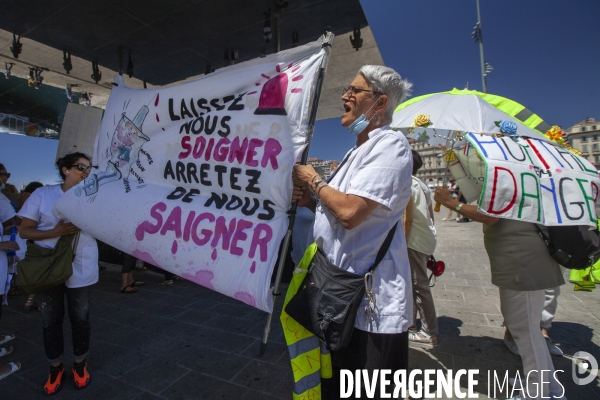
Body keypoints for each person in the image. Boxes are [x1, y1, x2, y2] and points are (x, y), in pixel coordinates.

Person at [292, 65, 413, 398]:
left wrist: (313, 180)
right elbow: (335, 212)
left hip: (372, 304)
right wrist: (308, 202)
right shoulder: (355, 152)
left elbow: (350, 212)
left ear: (379, 103)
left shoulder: (391, 145)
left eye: (354, 90)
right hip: (340, 295)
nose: (345, 96)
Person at [434, 187, 566, 399]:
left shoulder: (507, 177)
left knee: (523, 329)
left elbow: (489, 215)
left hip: (520, 262)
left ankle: (537, 392)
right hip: (523, 259)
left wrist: (450, 203)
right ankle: (546, 383)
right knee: (528, 328)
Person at [18, 153, 98, 395]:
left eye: (89, 168)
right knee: (51, 319)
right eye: (80, 167)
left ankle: (79, 364)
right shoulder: (43, 195)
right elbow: (24, 232)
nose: (86, 171)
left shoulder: (95, 196)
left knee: (81, 317)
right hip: (48, 266)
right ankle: (55, 367)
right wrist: (57, 231)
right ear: (65, 169)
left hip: (81, 265)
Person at [404, 150, 438, 347]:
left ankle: (429, 331)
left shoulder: (407, 182)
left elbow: (407, 220)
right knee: (413, 284)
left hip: (413, 241)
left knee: (418, 286)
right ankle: (411, 325)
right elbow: (430, 216)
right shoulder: (422, 184)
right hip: (425, 240)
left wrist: (402, 243)